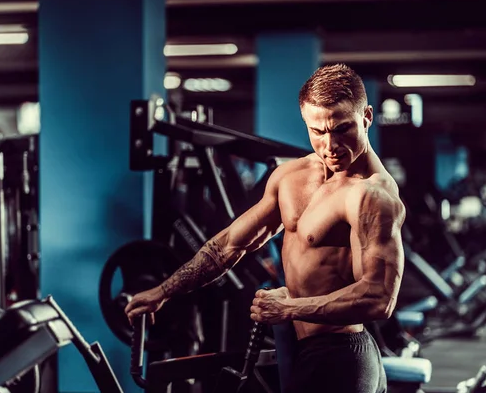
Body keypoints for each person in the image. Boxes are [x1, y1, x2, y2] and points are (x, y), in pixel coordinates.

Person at [125, 63, 406, 393]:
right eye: (318, 131)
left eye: (342, 129)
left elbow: (379, 299)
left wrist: (290, 307)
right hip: (303, 351)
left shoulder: (371, 196)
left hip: (343, 357)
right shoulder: (293, 177)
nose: (330, 145)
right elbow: (230, 245)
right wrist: (162, 292)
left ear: (367, 117)